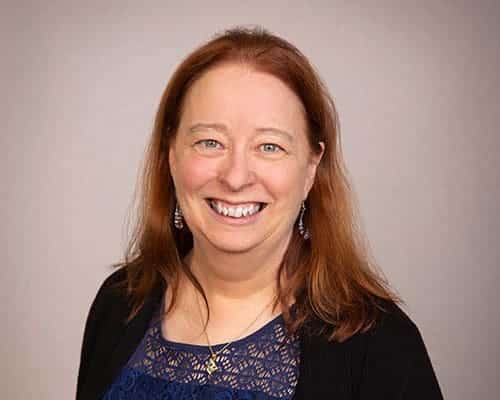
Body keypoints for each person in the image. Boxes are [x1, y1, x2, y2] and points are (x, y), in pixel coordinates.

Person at [76, 26, 443, 400]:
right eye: (210, 142)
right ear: (171, 154)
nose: (236, 177)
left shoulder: (380, 345)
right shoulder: (119, 304)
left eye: (269, 146)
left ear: (312, 166)